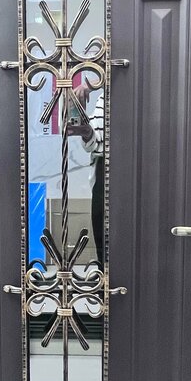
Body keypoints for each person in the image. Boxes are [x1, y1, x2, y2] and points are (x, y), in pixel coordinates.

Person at [70, 85, 104, 266]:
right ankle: (105, 273)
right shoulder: (104, 98)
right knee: (100, 228)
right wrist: (87, 132)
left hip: (128, 165)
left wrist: (89, 85)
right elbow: (94, 144)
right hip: (102, 166)